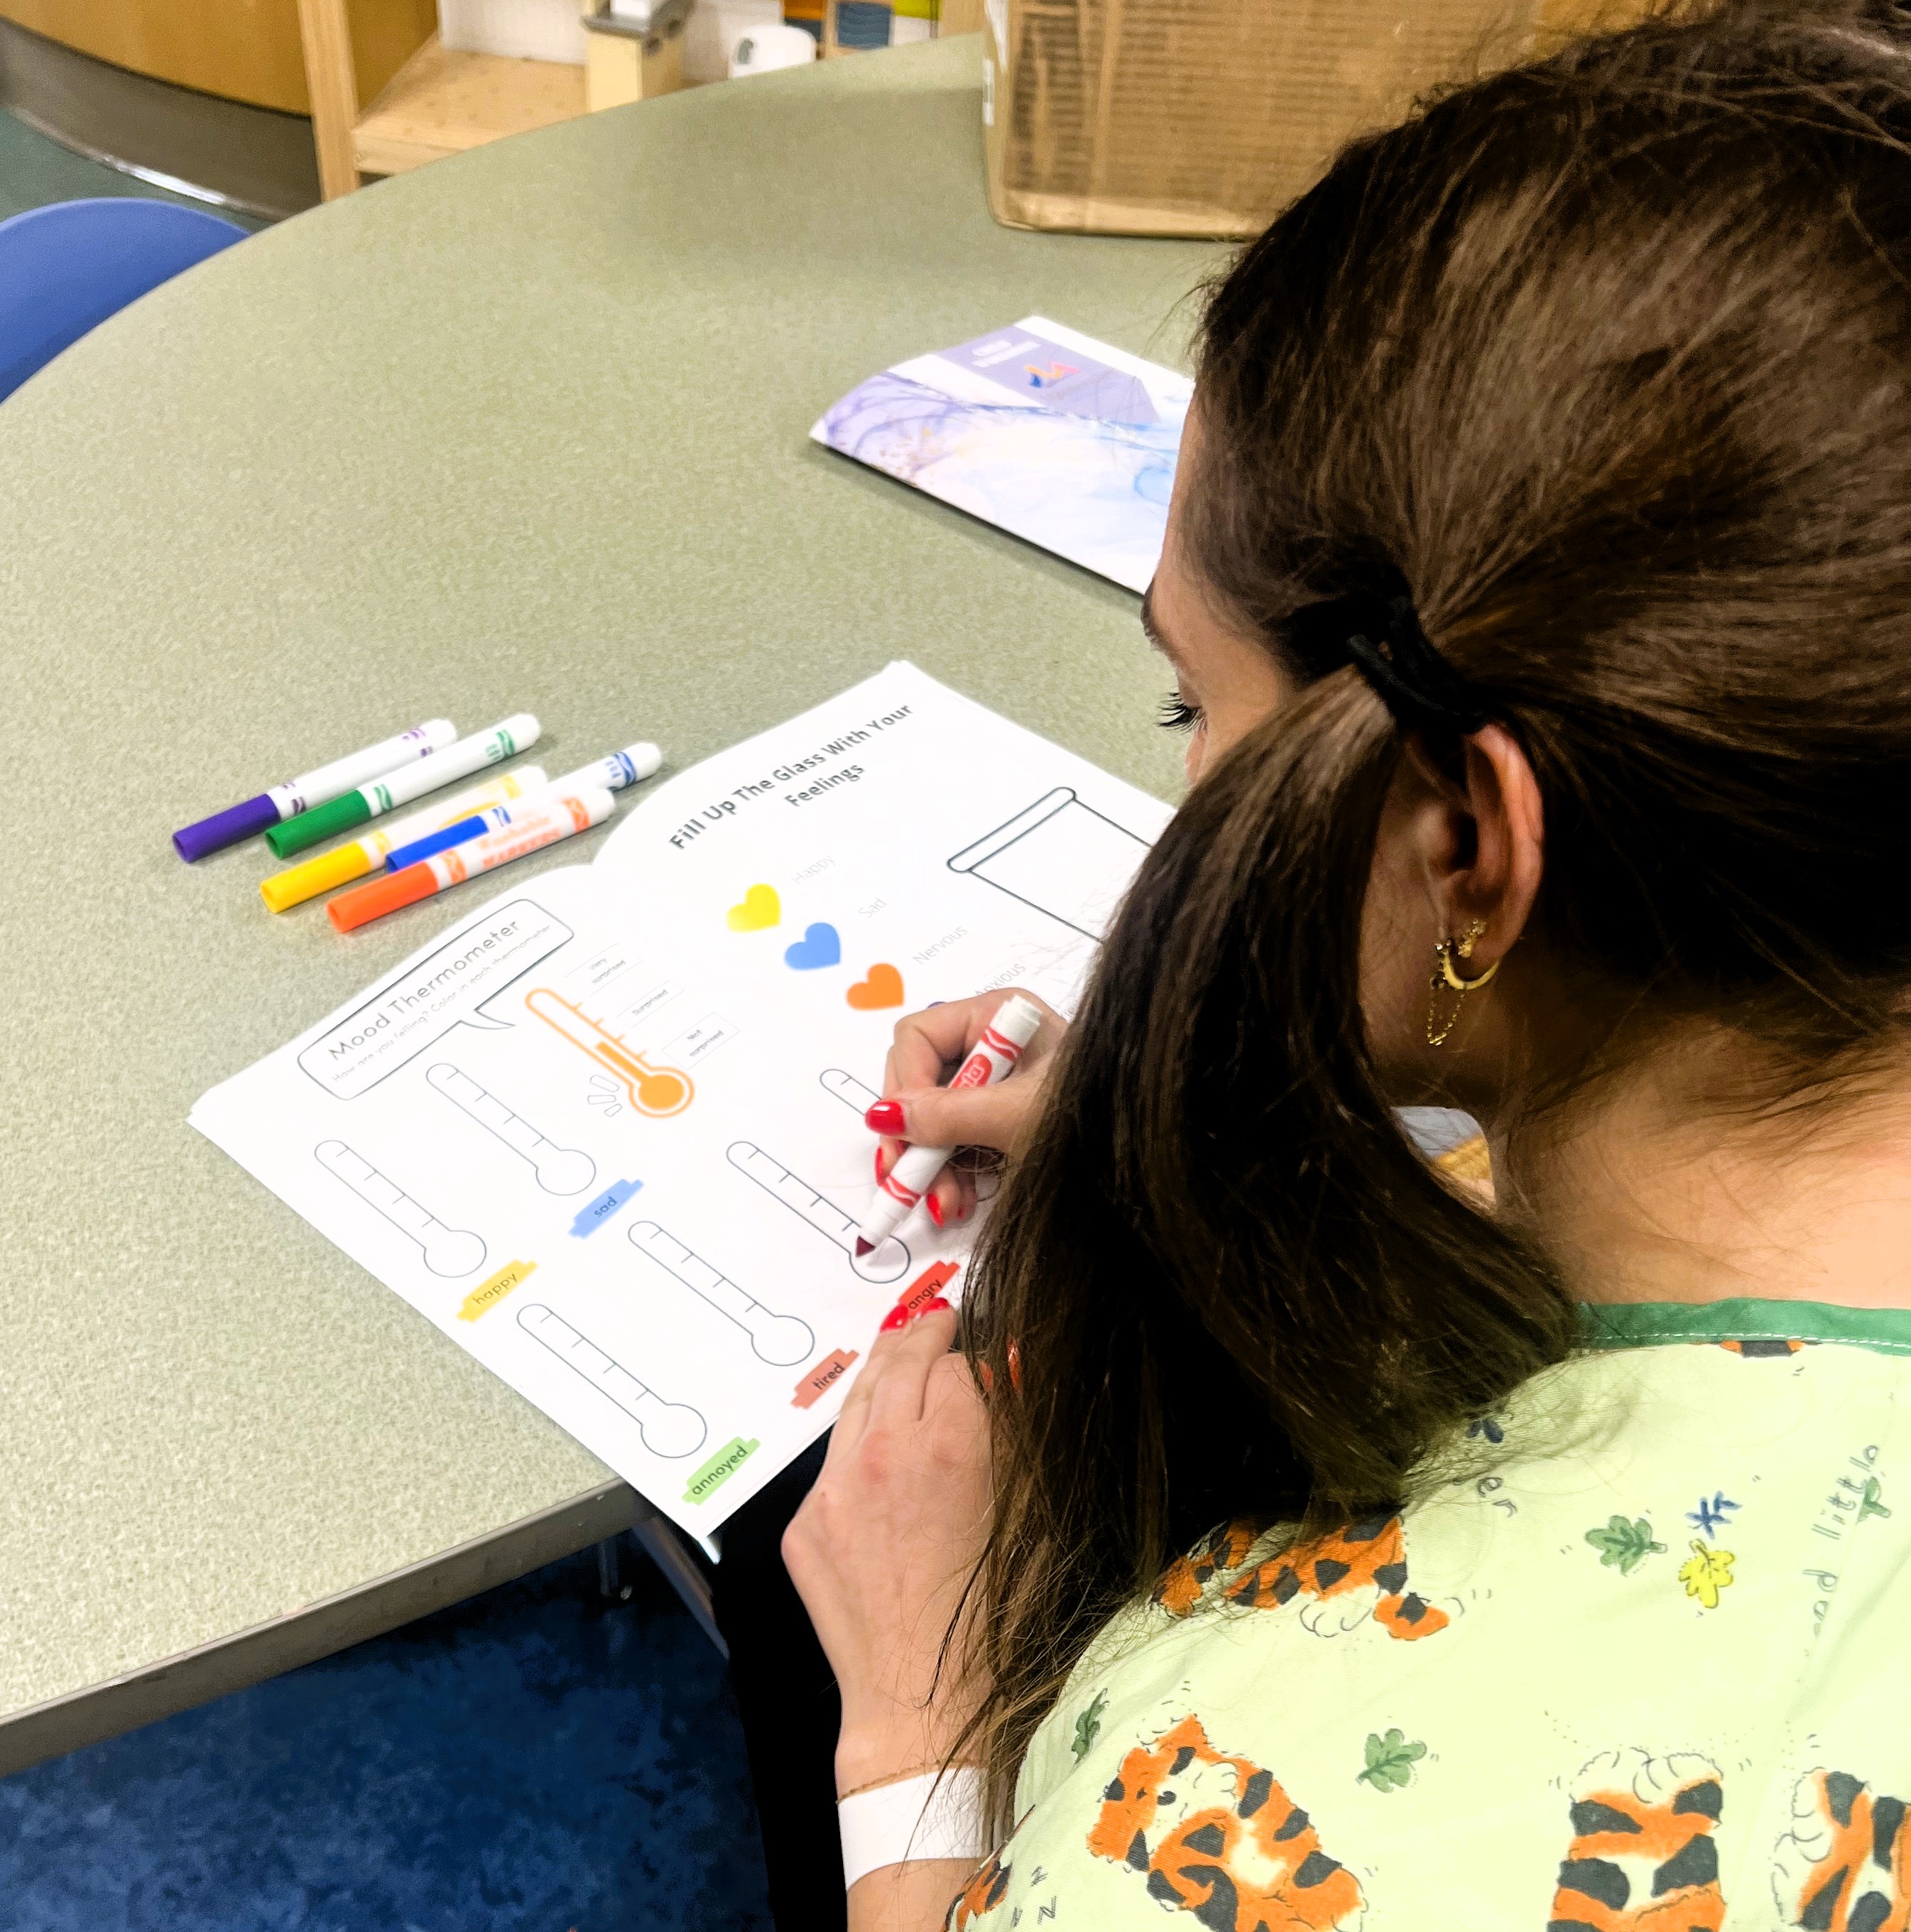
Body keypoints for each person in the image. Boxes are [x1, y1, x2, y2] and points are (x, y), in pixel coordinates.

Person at [781, 4, 1911, 1925]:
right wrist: (1197, 1094)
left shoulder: (1225, 1811)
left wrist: (919, 1732)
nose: (1190, 778)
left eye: (1189, 702)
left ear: (1466, 852)